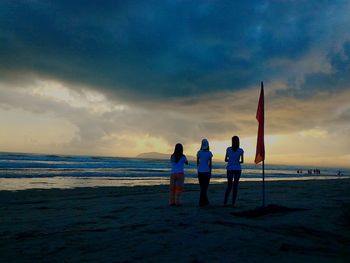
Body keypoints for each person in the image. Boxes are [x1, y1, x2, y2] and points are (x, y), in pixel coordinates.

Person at [224, 136, 244, 206]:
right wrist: (236, 161)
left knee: (229, 186)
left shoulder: (228, 149)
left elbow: (225, 159)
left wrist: (230, 160)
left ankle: (225, 202)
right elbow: (242, 161)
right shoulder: (240, 150)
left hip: (230, 168)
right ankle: (233, 203)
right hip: (237, 169)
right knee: (235, 186)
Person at [197, 139, 213, 207]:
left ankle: (205, 201)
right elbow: (210, 164)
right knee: (205, 187)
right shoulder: (209, 153)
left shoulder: (199, 152)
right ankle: (202, 202)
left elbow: (197, 162)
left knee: (202, 187)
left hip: (200, 171)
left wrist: (198, 168)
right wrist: (210, 171)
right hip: (207, 171)